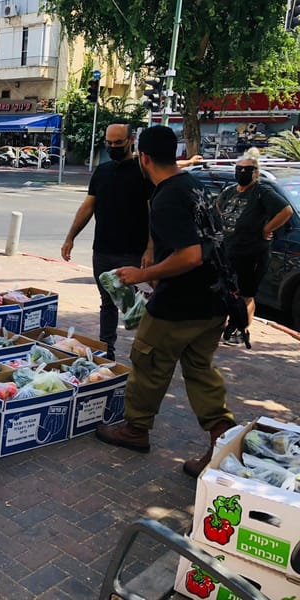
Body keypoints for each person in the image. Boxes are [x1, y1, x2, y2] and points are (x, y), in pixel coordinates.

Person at [95, 125, 236, 478]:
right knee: (200, 371)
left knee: (147, 360)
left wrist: (143, 275)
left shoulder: (167, 196)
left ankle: (135, 429)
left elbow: (189, 255)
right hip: (215, 301)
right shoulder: (195, 186)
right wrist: (157, 265)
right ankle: (223, 441)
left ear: (142, 157)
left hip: (181, 304)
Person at [61, 122, 153, 360]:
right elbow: (87, 206)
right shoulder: (102, 171)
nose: (112, 147)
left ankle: (147, 350)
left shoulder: (143, 172)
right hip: (103, 249)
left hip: (133, 252)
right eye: (108, 143)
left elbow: (154, 212)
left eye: (118, 143)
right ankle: (107, 350)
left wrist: (150, 249)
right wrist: (70, 237)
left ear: (130, 141)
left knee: (139, 304)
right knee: (107, 302)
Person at [216, 148, 293, 344]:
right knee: (226, 290)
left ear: (255, 172)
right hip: (228, 250)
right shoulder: (230, 191)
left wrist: (267, 228)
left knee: (246, 293)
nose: (242, 173)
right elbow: (217, 207)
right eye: (239, 169)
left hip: (252, 252)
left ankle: (241, 330)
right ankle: (224, 324)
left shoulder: (261, 192)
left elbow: (286, 211)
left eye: (246, 170)